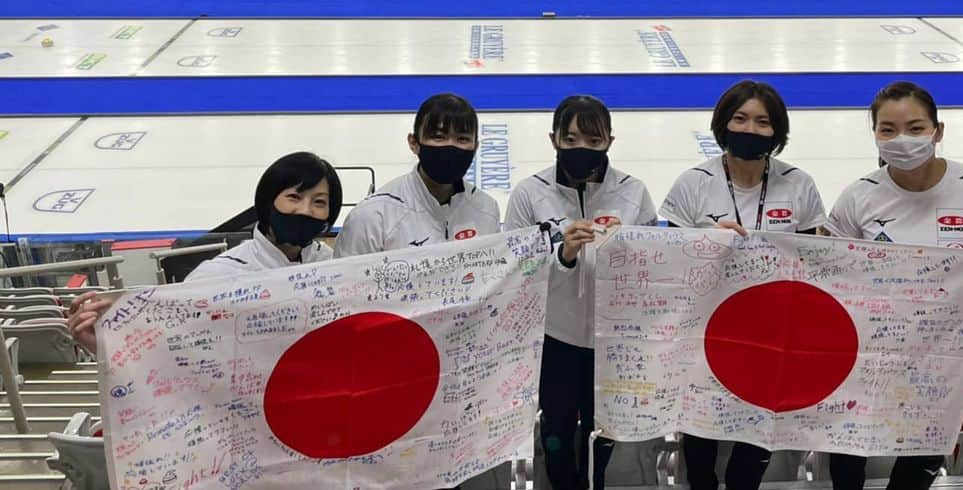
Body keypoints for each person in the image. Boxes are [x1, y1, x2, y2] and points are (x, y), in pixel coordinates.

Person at [824, 80, 963, 490]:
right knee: (848, 448)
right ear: (875, 135)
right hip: (873, 347)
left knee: (921, 453)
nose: (902, 139)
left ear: (938, 131)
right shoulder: (858, 198)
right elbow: (833, 272)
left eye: (915, 127)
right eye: (888, 129)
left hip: (949, 351)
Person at [659, 80, 828, 490]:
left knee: (754, 447)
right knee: (700, 447)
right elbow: (671, 261)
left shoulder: (799, 184)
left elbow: (814, 257)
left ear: (777, 132)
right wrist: (708, 242)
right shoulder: (693, 183)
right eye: (740, 119)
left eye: (762, 122)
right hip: (707, 332)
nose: (750, 130)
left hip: (773, 334)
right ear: (722, 124)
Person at [504, 96, 657, 490]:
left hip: (612, 339)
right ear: (553, 139)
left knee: (601, 429)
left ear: (609, 140)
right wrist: (564, 255)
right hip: (554, 337)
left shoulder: (633, 192)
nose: (580, 149)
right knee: (555, 430)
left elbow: (656, 262)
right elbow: (515, 271)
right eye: (570, 140)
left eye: (592, 139)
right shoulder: (529, 193)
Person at [66, 151, 341, 355]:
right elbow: (175, 351)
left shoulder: (337, 267)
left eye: (319, 202)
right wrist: (104, 346)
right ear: (268, 202)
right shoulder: (217, 275)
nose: (306, 210)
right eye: (294, 197)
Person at [334, 93, 499, 257]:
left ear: (475, 146)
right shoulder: (372, 217)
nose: (451, 146)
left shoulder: (487, 209)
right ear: (414, 143)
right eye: (439, 137)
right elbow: (344, 281)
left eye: (462, 139)